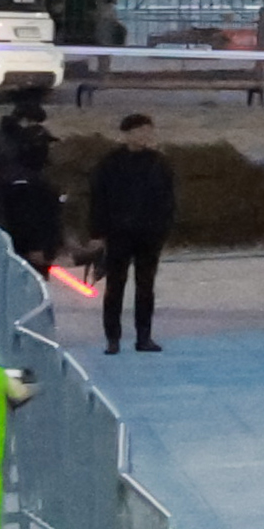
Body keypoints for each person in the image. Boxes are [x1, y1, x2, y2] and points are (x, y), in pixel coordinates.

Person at [82, 112, 173, 354]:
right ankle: (113, 338)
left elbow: (167, 199)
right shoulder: (110, 163)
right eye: (140, 131)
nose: (145, 136)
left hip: (149, 234)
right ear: (127, 134)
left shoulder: (158, 163)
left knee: (145, 286)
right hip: (118, 233)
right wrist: (97, 233)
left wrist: (162, 228)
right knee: (115, 286)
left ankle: (144, 337)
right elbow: (99, 200)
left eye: (148, 131)